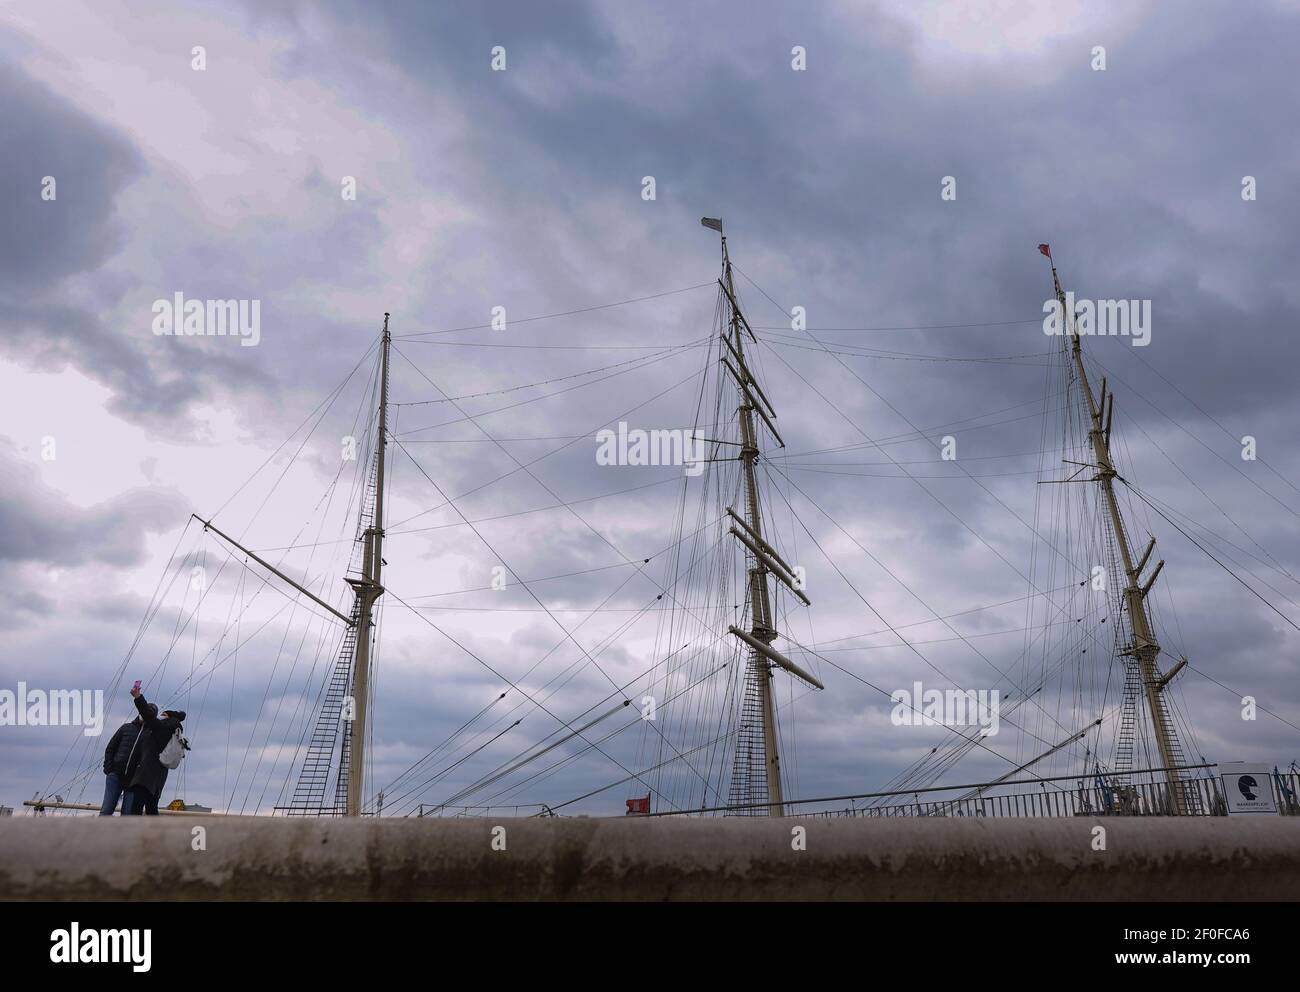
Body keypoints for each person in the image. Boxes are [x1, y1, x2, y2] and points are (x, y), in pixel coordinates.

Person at [125, 687, 187, 816]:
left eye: (163, 714)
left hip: (147, 774)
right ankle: (156, 834)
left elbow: (148, 716)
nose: (160, 717)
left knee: (136, 808)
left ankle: (133, 833)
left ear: (168, 717)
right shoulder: (174, 732)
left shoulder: (163, 728)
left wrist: (138, 697)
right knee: (151, 807)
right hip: (158, 777)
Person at [99, 709, 153, 815]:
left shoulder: (151, 734)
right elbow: (111, 747)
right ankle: (99, 831)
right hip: (115, 775)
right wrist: (109, 769)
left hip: (134, 781)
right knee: (106, 809)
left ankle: (124, 832)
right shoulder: (126, 728)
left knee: (127, 814)